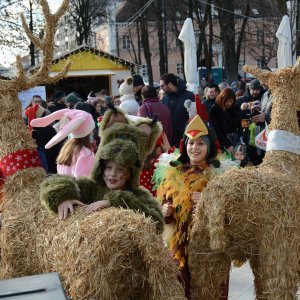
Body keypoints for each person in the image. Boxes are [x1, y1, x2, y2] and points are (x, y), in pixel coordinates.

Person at [38, 107, 164, 232]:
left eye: (120, 169)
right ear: (101, 168)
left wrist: (116, 201)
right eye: (108, 168)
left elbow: (157, 222)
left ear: (130, 173)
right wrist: (63, 196)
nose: (112, 174)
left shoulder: (139, 196)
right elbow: (51, 182)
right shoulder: (91, 188)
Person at [153, 115, 228, 299]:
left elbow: (231, 213)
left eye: (200, 143)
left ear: (209, 146)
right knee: (180, 289)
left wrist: (208, 201)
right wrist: (165, 211)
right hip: (179, 245)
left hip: (209, 245)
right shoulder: (174, 171)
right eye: (191, 143)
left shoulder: (220, 175)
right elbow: (165, 202)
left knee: (211, 290)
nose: (194, 148)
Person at [160, 73, 194, 147]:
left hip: (186, 138)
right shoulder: (165, 98)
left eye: (162, 86)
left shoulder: (190, 96)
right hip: (170, 139)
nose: (161, 88)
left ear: (170, 84)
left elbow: (195, 117)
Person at [26, 104, 60, 173]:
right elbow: (57, 147)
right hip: (51, 164)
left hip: (35, 168)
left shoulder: (27, 132)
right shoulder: (49, 129)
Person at [210, 87, 241, 154]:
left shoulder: (235, 107)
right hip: (223, 140)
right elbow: (217, 129)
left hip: (236, 137)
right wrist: (227, 144)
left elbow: (239, 122)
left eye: (230, 101)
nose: (228, 103)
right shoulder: (215, 109)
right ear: (222, 99)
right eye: (226, 101)